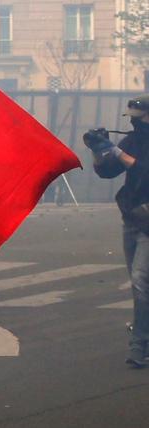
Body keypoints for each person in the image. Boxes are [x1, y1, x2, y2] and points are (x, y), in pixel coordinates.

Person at [88, 94, 149, 368]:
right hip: (133, 217)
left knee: (140, 281)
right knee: (141, 286)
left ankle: (139, 344)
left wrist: (117, 152)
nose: (136, 124)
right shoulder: (134, 140)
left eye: (140, 117)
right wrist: (98, 150)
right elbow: (108, 171)